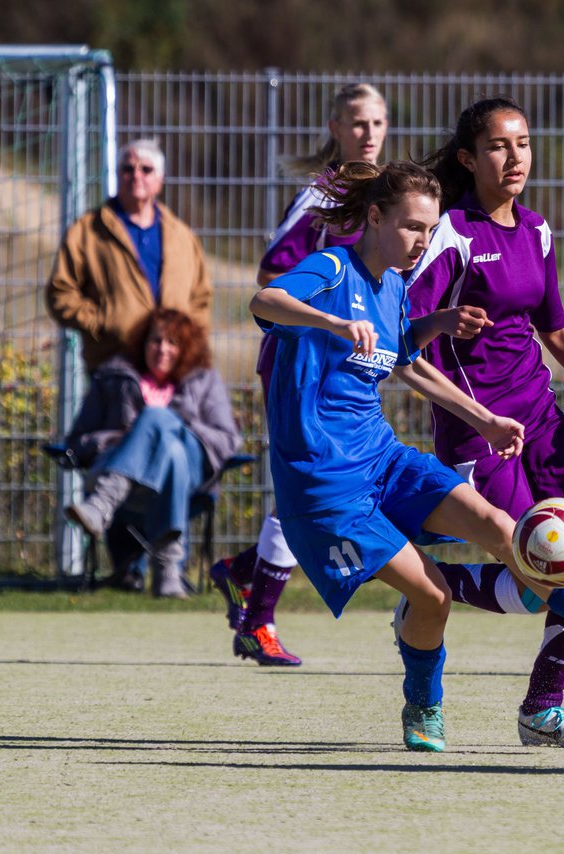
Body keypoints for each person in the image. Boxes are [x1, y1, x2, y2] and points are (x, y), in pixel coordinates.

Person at [250, 159, 564, 753]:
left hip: (383, 460)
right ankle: (424, 705)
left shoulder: (393, 286)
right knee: (430, 595)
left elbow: (404, 360)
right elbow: (265, 301)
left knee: (509, 531)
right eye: (411, 228)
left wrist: (481, 416)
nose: (421, 242)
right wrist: (331, 320)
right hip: (324, 485)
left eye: (429, 231)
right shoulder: (331, 268)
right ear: (374, 218)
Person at [403, 97, 564, 748]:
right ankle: (430, 586)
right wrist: (442, 322)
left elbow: (553, 328)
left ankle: (542, 709)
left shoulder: (536, 230)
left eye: (524, 144)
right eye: (500, 146)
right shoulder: (451, 232)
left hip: (541, 413)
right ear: (470, 159)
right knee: (540, 578)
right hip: (479, 428)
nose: (515, 157)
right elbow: (404, 339)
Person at [210, 83, 389, 665]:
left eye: (378, 122)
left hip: (350, 371)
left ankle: (243, 573)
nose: (368, 133)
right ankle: (257, 620)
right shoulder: (325, 193)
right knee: (307, 482)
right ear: (336, 129)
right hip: (303, 366)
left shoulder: (385, 193)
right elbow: (271, 271)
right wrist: (329, 318)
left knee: (318, 487)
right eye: (357, 123)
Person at [46, 138, 213, 590]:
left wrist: (184, 342)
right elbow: (61, 293)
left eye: (144, 170)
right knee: (138, 442)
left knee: (163, 441)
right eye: (126, 169)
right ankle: (145, 569)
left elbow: (200, 299)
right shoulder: (89, 231)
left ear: (159, 179)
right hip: (119, 374)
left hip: (174, 375)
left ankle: (130, 550)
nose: (134, 177)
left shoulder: (180, 236)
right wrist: (105, 323)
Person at [64, 308, 241, 599]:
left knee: (162, 427)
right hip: (130, 486)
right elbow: (78, 439)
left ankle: (100, 507)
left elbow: (227, 440)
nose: (163, 349)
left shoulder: (204, 381)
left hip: (191, 482)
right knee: (166, 444)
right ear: (142, 343)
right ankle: (168, 573)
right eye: (156, 341)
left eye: (172, 342)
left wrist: (182, 423)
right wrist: (129, 439)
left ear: (186, 348)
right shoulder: (114, 376)